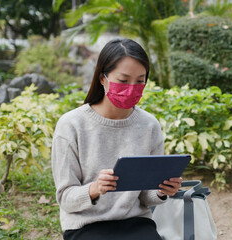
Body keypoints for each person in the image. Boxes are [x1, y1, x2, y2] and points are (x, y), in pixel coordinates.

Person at [51, 38, 183, 240]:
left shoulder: (149, 126)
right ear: (102, 78)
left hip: (136, 223)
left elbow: (146, 197)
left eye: (140, 81)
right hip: (86, 225)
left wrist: (162, 191)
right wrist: (95, 188)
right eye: (123, 80)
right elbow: (66, 199)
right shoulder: (71, 125)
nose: (132, 88)